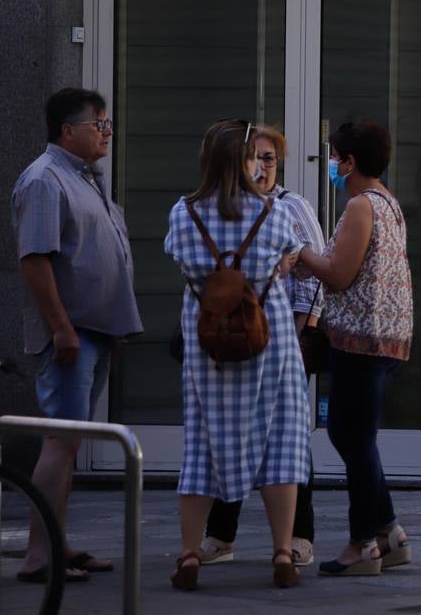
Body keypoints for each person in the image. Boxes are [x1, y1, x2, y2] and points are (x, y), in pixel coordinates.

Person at [164, 119, 310, 591]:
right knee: (281, 446)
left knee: (201, 448)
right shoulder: (273, 213)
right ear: (246, 161)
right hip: (269, 342)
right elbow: (286, 259)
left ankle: (189, 555)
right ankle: (284, 553)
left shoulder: (183, 213)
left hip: (207, 346)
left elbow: (181, 260)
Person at [11, 88, 144, 584]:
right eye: (99, 124)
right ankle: (38, 556)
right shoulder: (45, 180)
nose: (107, 132)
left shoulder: (85, 178)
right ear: (68, 131)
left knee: (66, 442)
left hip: (93, 331)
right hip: (71, 335)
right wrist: (62, 327)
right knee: (61, 441)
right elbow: (35, 259)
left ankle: (57, 543)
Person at [198, 125, 324, 568]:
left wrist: (298, 332)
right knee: (233, 433)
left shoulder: (292, 207)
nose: (262, 166)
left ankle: (299, 536)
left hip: (286, 339)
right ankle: (221, 534)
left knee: (290, 441)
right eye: (255, 158)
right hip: (235, 339)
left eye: (269, 158)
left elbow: (315, 282)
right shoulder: (231, 207)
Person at [296, 120, 414, 576]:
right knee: (353, 436)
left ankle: (361, 543)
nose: (331, 166)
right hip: (382, 338)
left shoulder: (363, 206)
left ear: (349, 162)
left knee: (353, 437)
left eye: (334, 158)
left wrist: (301, 255)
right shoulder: (387, 202)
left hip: (362, 342)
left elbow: (340, 274)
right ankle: (389, 533)